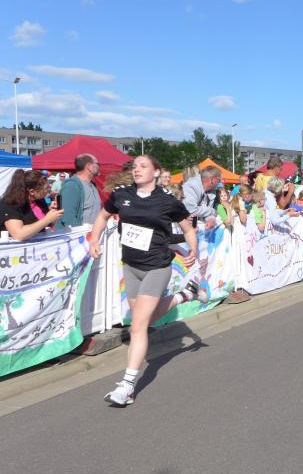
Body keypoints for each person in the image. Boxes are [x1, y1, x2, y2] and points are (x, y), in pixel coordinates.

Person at [89, 155, 204, 406]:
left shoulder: (167, 200)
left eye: (143, 166)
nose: (137, 170)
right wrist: (94, 239)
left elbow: (188, 228)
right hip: (131, 267)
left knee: (138, 326)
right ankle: (184, 295)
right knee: (142, 321)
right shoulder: (121, 194)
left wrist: (193, 249)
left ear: (156, 172)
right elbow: (102, 216)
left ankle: (127, 386)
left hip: (157, 267)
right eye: (135, 166)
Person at [0, 169, 63, 240]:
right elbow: (18, 235)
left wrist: (52, 214)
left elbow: (47, 225)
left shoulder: (40, 200)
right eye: (46, 189)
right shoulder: (10, 203)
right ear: (32, 191)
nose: (49, 191)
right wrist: (47, 219)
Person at [58, 153, 101, 228]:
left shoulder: (92, 185)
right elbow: (67, 217)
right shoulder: (72, 185)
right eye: (98, 164)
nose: (99, 167)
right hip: (78, 234)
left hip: (92, 233)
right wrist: (80, 233)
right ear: (89, 167)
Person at [182, 165, 221, 230]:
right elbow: (192, 210)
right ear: (212, 180)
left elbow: (206, 210)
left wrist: (211, 219)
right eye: (219, 179)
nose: (219, 182)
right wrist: (213, 211)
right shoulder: (190, 186)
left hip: (196, 229)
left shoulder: (211, 191)